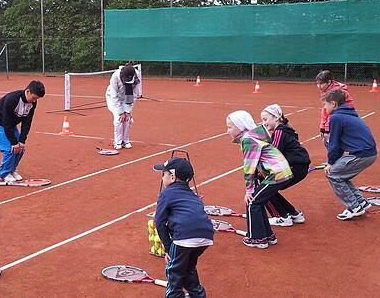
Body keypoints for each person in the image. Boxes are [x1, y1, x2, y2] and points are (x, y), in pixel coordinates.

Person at [226, 110, 292, 249]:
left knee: (252, 202)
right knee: (257, 201)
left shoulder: (248, 140)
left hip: (276, 174)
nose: (228, 131)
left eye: (230, 127)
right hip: (279, 172)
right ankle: (267, 236)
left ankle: (257, 238)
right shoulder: (252, 136)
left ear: (240, 126)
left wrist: (249, 190)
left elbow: (249, 167)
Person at [153, 157, 213, 298]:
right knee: (188, 268)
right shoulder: (192, 195)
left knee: (174, 271)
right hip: (206, 236)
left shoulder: (166, 194)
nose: (162, 177)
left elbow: (159, 222)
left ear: (172, 177)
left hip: (184, 237)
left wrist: (168, 248)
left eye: (164, 173)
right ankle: (197, 294)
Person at [322, 89, 377, 220]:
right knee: (341, 174)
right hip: (368, 153)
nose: (324, 107)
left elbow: (334, 143)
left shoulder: (336, 117)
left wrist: (330, 163)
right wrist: (333, 161)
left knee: (334, 175)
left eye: (326, 104)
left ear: (333, 104)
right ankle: (361, 202)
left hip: (362, 154)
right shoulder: (348, 114)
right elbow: (340, 144)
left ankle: (354, 207)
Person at [260, 104, 311, 227]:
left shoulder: (279, 132)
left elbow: (274, 155)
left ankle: (282, 216)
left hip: (295, 166)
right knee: (266, 184)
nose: (263, 123)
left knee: (263, 184)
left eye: (265, 119)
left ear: (276, 118)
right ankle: (293, 213)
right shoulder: (283, 130)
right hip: (299, 167)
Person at [0, 80, 45, 183]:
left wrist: (22, 140)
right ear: (28, 91)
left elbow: (27, 122)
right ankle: (4, 174)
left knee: (20, 148)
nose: (35, 100)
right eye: (34, 97)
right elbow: (6, 121)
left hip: (9, 125)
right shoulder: (12, 99)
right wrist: (13, 142)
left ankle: (12, 170)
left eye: (37, 99)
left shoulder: (32, 103)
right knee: (10, 149)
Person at [315, 70, 355, 149]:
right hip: (337, 115)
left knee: (330, 139)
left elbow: (333, 112)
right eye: (317, 83)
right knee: (329, 139)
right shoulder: (325, 90)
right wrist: (322, 126)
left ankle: (337, 159)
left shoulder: (336, 92)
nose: (319, 86)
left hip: (345, 115)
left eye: (321, 83)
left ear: (329, 82)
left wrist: (327, 128)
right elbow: (325, 109)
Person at [106, 63, 141, 150]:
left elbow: (135, 94)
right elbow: (114, 96)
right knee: (119, 118)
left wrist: (127, 111)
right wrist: (121, 112)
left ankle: (126, 141)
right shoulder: (115, 76)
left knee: (127, 119)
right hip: (113, 98)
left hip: (127, 98)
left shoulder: (136, 75)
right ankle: (117, 142)